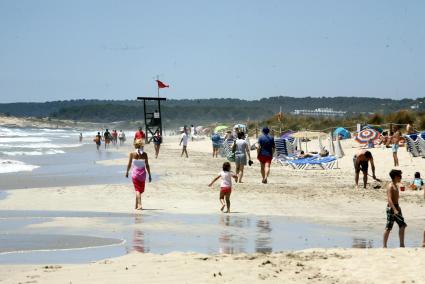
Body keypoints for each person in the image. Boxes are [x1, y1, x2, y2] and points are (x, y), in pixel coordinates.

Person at [125, 139, 152, 210]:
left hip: (135, 174)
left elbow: (129, 164)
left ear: (135, 145)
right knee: (139, 190)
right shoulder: (145, 154)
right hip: (143, 175)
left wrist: (127, 172)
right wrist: (149, 175)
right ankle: (139, 204)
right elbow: (147, 165)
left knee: (138, 190)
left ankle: (137, 205)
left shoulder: (132, 154)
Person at [383, 169, 407, 248]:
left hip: (396, 207)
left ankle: (402, 245)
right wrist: (394, 209)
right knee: (389, 227)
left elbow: (396, 199)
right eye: (400, 176)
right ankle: (384, 246)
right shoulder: (390, 186)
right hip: (391, 208)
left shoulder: (396, 185)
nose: (401, 178)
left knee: (402, 225)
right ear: (396, 177)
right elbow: (389, 199)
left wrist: (398, 208)